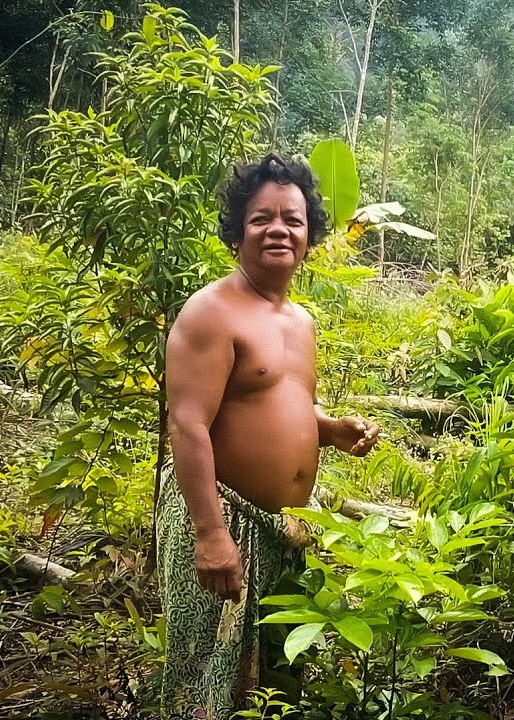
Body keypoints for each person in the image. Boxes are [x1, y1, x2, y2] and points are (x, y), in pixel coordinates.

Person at [158, 153, 380, 719]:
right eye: (261, 218)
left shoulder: (299, 321)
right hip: (223, 520)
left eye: (293, 219)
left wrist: (329, 429)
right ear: (237, 231)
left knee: (275, 690)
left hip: (285, 533)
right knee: (206, 686)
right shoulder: (212, 312)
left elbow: (285, 404)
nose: (279, 229)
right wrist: (210, 535)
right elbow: (187, 425)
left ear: (310, 236)